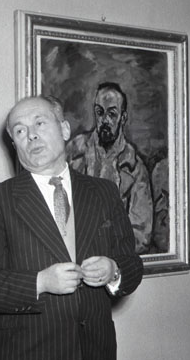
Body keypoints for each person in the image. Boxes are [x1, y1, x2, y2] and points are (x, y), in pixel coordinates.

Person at [0, 96, 143, 360]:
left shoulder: (104, 192)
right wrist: (41, 282)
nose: (31, 135)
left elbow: (132, 264)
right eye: (20, 130)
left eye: (40, 123)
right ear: (15, 145)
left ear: (65, 129)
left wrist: (114, 271)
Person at [66, 82, 153, 254]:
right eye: (100, 112)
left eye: (112, 114)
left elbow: (141, 236)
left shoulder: (136, 169)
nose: (105, 120)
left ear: (123, 117)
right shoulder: (74, 151)